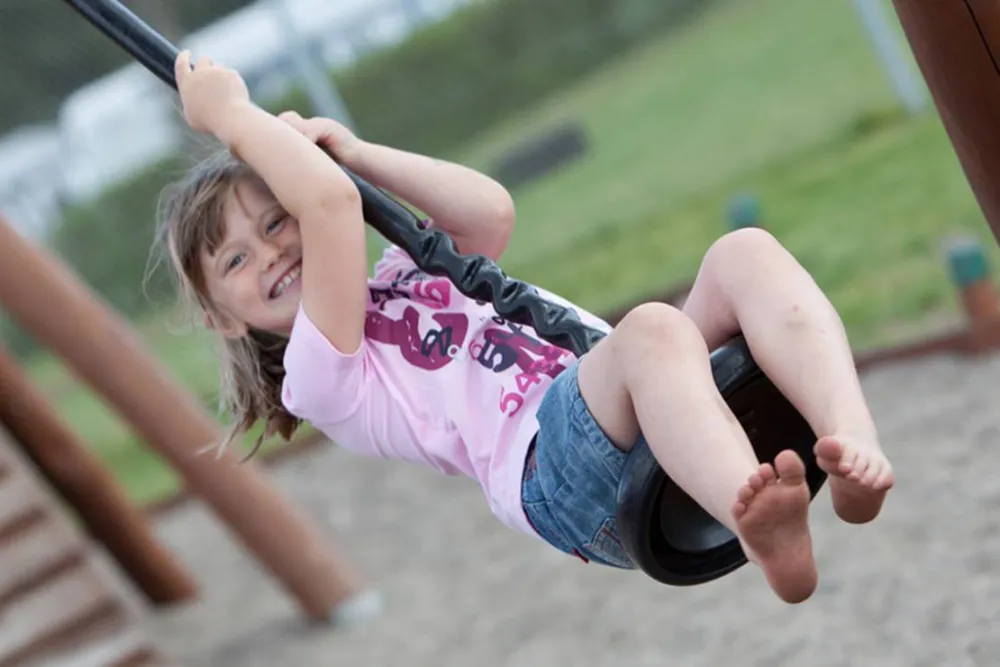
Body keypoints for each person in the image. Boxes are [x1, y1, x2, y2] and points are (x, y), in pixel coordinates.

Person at [158, 51, 893, 605]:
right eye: (236, 258)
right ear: (223, 316)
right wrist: (231, 117)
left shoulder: (400, 266)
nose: (273, 250)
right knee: (651, 332)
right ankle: (757, 515)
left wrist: (354, 156)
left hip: (634, 401)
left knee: (744, 255)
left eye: (273, 219)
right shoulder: (321, 376)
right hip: (556, 473)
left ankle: (848, 443)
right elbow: (329, 209)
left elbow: (489, 213)